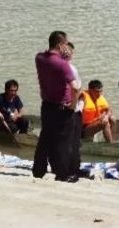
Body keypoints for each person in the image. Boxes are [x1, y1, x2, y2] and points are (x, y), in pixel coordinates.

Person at [33, 31, 80, 182]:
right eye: (66, 44)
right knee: (63, 142)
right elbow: (75, 88)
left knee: (45, 138)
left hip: (47, 105)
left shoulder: (39, 58)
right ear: (60, 45)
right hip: (62, 107)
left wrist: (61, 56)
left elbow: (49, 61)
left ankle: (38, 169)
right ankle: (62, 173)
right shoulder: (62, 64)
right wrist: (73, 105)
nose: (67, 47)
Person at [64, 42, 84, 182]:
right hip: (70, 108)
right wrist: (73, 106)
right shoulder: (70, 69)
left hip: (64, 108)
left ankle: (69, 168)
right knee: (72, 142)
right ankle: (72, 170)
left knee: (67, 141)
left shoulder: (55, 67)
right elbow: (77, 89)